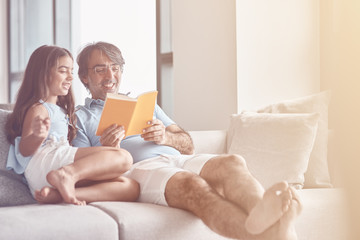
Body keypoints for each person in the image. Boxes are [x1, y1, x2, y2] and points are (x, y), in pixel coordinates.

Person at [72, 41, 302, 239]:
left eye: (115, 67)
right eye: (100, 69)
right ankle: (277, 233)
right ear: (84, 76)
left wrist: (166, 137)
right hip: (140, 169)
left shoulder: (146, 104)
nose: (110, 76)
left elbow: (188, 144)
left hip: (178, 158)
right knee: (192, 186)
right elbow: (83, 175)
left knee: (232, 162)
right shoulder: (80, 118)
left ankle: (266, 221)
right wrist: (108, 150)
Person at [5, 45, 139, 206]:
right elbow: (24, 150)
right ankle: (67, 175)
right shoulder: (39, 108)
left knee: (130, 187)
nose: (70, 77)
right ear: (43, 74)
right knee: (123, 157)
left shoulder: (61, 111)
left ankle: (58, 194)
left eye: (71, 71)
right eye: (63, 71)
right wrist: (36, 137)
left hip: (50, 175)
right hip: (45, 166)